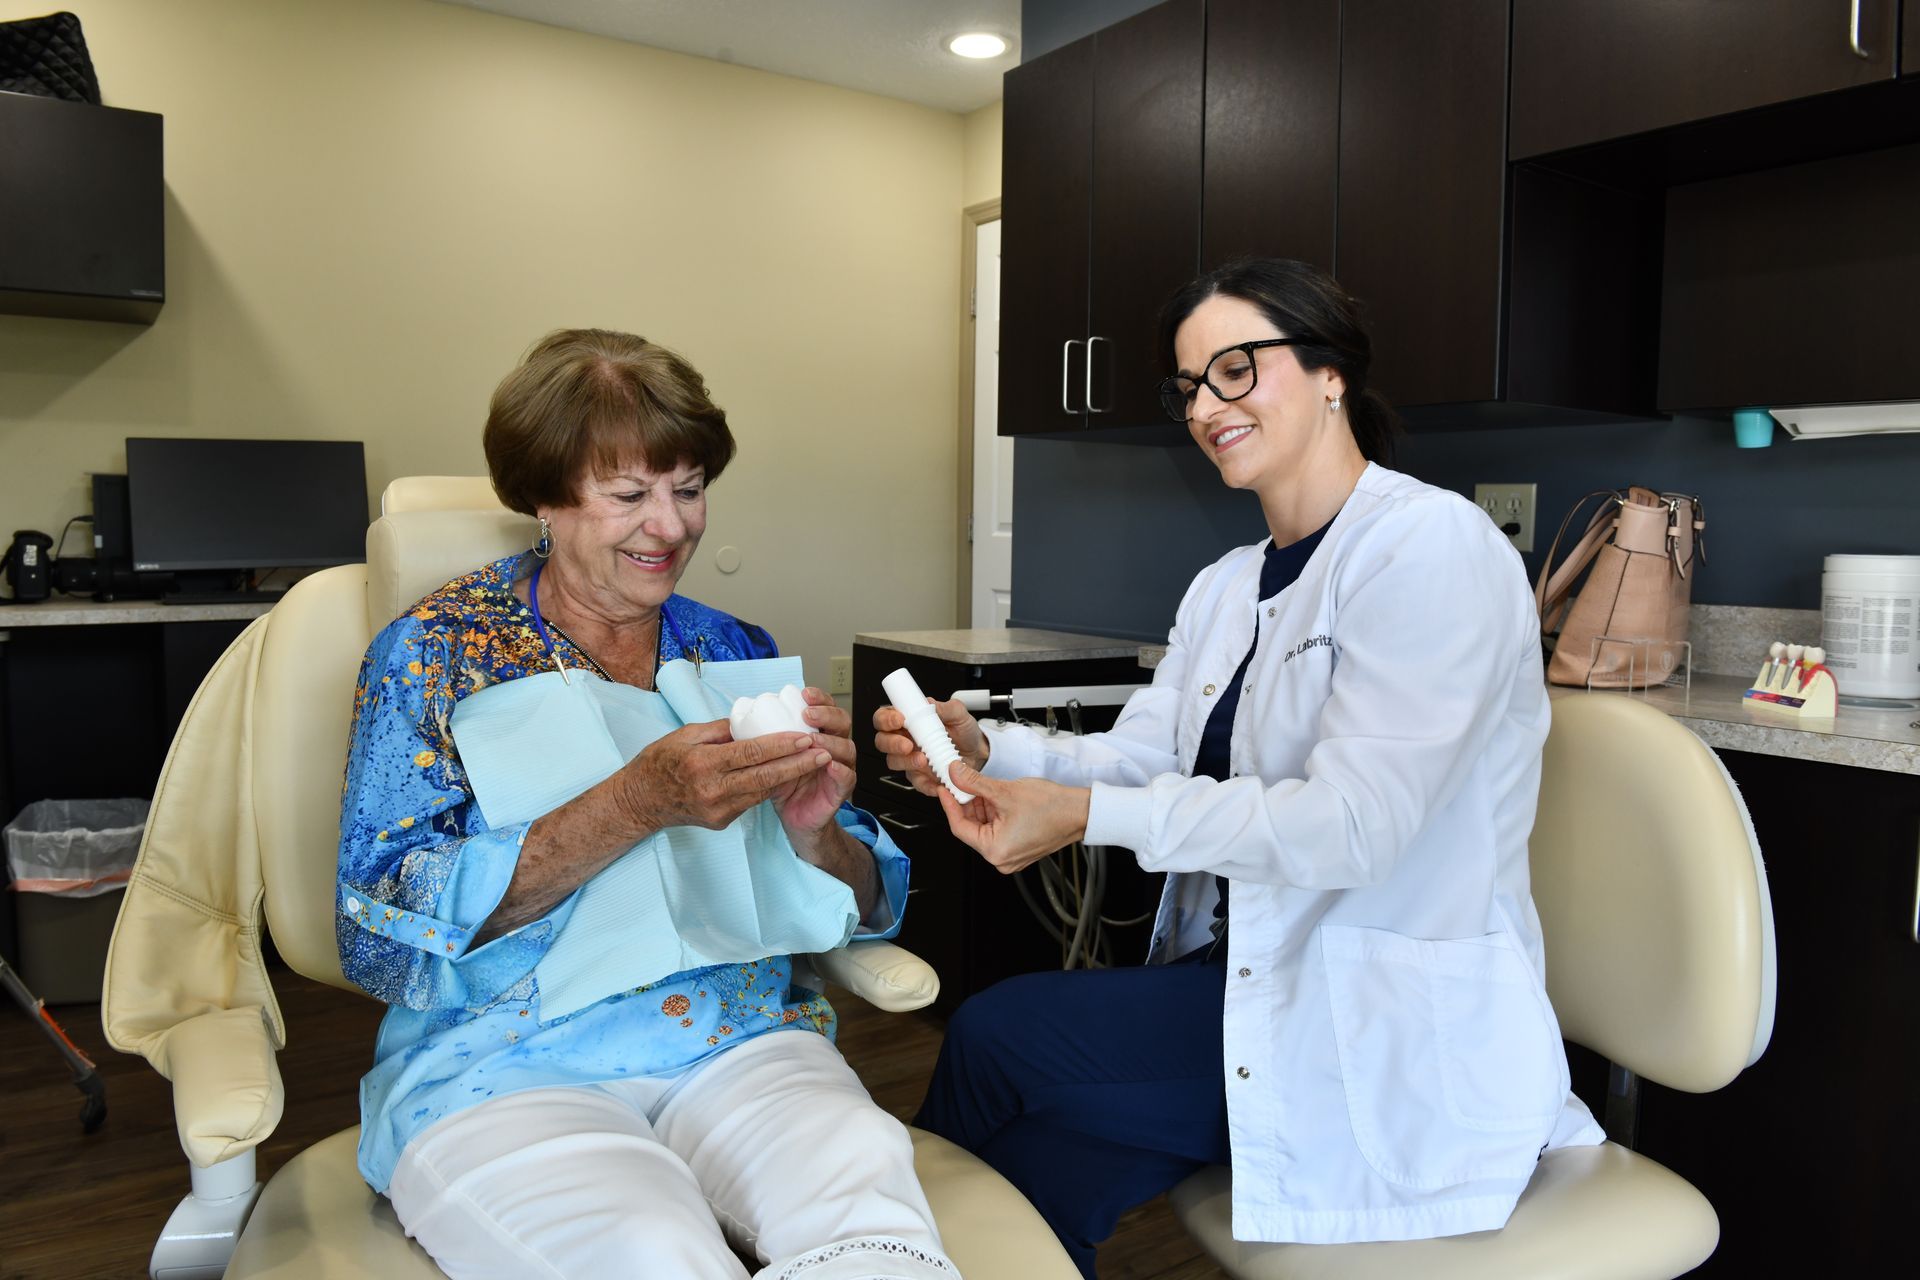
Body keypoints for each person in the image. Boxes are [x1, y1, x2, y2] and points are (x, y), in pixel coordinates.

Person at [877, 259, 1604, 1276]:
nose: (1205, 406)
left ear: (1330, 372)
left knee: (1001, 1032)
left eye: (1234, 369)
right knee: (1033, 1178)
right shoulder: (1226, 585)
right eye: (1188, 386)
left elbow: (1356, 825)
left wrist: (1083, 815)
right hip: (1242, 984)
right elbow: (1144, 754)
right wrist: (989, 748)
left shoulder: (1433, 547)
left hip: (1371, 1019)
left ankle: (881, 1250)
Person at [337, 329, 959, 1280]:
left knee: (871, 1229)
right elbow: (380, 931)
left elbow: (866, 907)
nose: (670, 527)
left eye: (690, 487)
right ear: (542, 497)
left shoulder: (728, 644)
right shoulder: (432, 656)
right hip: (507, 1063)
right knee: (648, 1253)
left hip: (738, 1036)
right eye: (628, 494)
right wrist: (633, 804)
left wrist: (818, 831)